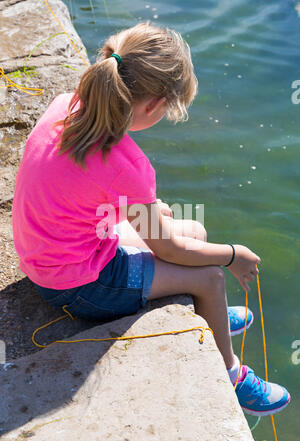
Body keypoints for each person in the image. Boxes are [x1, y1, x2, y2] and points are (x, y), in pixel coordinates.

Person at [12, 22, 290, 416]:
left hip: (48, 250)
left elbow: (86, 189)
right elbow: (171, 248)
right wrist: (232, 254)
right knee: (209, 275)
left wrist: (151, 213)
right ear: (155, 105)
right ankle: (231, 374)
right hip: (75, 284)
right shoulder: (128, 165)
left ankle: (209, 309)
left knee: (188, 226)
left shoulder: (66, 104)